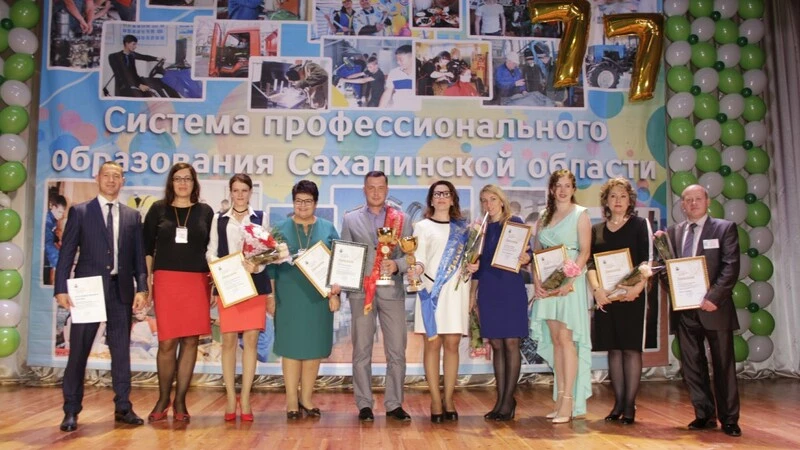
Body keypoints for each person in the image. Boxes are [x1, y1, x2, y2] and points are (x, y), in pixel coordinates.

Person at [54, 161, 149, 432]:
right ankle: (71, 409)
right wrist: (61, 288)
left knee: (121, 352)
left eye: (116, 176)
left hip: (121, 291)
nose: (111, 180)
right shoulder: (81, 212)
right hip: (89, 291)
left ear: (123, 181)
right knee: (79, 352)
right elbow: (67, 252)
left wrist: (142, 288)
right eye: (106, 175)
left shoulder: (132, 216)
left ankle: (123, 407)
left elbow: (139, 257)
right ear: (98, 178)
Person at [658, 184, 741, 437]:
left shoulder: (724, 228)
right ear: (682, 205)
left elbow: (731, 266)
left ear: (708, 202)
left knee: (723, 365)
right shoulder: (672, 233)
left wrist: (713, 297)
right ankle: (704, 415)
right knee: (692, 366)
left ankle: (729, 419)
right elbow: (664, 267)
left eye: (698, 199)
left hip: (715, 307)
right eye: (688, 200)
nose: (693, 203)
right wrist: (676, 291)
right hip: (685, 311)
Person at [143, 162, 215, 423]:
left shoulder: (205, 211)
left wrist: (214, 284)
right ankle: (163, 399)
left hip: (197, 281)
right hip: (166, 281)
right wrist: (148, 282)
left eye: (188, 178)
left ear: (194, 183)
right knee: (167, 342)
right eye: (178, 178)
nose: (183, 183)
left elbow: (211, 250)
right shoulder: (157, 209)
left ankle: (181, 401)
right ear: (170, 183)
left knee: (191, 341)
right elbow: (147, 249)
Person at [340, 171, 412, 422]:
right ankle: (364, 405)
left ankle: (394, 404)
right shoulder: (350, 219)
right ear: (364, 189)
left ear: (387, 189)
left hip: (392, 291)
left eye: (380, 187)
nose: (376, 192)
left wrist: (397, 265)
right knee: (361, 351)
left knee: (397, 351)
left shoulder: (402, 219)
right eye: (371, 187)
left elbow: (410, 256)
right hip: (361, 293)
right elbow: (345, 256)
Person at [267, 180, 341, 419]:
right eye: (298, 201)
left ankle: (306, 399)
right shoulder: (279, 229)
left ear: (316, 203)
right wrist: (270, 296)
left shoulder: (328, 228)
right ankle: (291, 401)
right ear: (293, 202)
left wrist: (335, 294)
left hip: (318, 299)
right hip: (288, 297)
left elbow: (338, 264)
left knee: (313, 349)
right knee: (290, 349)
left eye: (308, 201)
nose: (303, 205)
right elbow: (270, 267)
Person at [407, 181, 478, 423]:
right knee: (432, 345)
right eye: (437, 194)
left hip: (456, 292)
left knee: (452, 345)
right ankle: (435, 400)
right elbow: (419, 257)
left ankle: (449, 399)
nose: (441, 198)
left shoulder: (464, 228)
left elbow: (469, 258)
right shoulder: (422, 226)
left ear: (453, 199)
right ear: (431, 199)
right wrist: (416, 268)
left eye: (446, 194)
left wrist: (473, 265)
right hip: (431, 291)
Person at [206, 174, 273, 422]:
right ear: (230, 192)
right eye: (236, 190)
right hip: (229, 285)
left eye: (244, 190)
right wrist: (224, 268)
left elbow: (268, 251)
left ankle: (245, 398)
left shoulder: (261, 218)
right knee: (229, 341)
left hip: (255, 285)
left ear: (250, 192)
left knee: (251, 342)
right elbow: (211, 252)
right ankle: (230, 398)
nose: (240, 195)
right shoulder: (219, 219)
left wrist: (257, 265)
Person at [586, 177, 650, 425]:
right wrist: (597, 290)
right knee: (613, 349)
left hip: (632, 296)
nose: (618, 200)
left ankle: (630, 406)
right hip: (607, 298)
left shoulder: (639, 225)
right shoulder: (597, 230)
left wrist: (637, 288)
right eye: (613, 196)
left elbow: (646, 261)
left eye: (623, 196)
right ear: (606, 201)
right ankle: (618, 403)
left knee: (631, 349)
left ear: (630, 200)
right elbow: (591, 264)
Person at [530, 169, 592, 424]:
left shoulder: (580, 214)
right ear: (552, 189)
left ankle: (568, 401)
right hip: (548, 285)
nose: (563, 190)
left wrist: (570, 281)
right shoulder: (543, 216)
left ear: (573, 189)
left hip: (569, 285)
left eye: (567, 186)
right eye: (559, 186)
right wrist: (537, 281)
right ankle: (560, 399)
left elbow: (585, 252)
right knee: (556, 340)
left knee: (567, 340)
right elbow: (537, 253)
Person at [470, 185, 531, 421]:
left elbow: (529, 254)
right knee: (496, 344)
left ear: (502, 201)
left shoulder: (515, 223)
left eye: (493, 199)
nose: (489, 204)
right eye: (484, 200)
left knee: (511, 343)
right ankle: (501, 400)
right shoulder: (481, 229)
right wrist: (472, 294)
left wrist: (527, 257)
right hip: (488, 289)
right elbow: (477, 267)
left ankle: (508, 400)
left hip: (510, 288)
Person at [379, 45, 418, 109]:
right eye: (397, 60)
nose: (398, 62)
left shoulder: (420, 73)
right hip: (398, 109)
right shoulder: (394, 73)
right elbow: (387, 93)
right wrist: (380, 109)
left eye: (401, 60)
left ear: (412, 58)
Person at [45, 194, 68, 285]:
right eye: (59, 212)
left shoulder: (52, 220)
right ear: (53, 207)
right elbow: (48, 244)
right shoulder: (47, 222)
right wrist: (59, 262)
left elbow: (52, 237)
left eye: (62, 213)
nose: (61, 215)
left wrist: (58, 241)